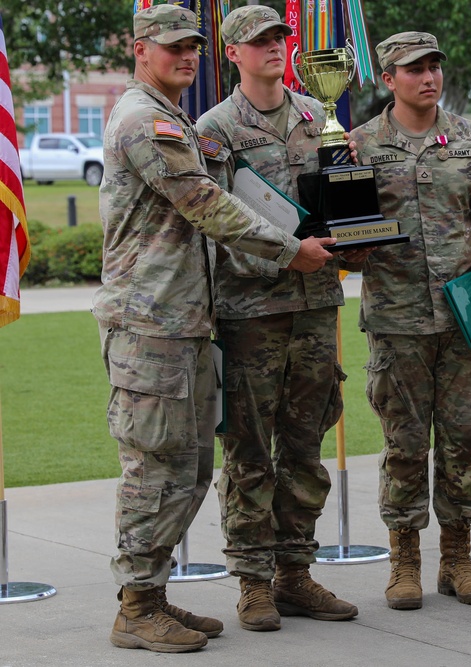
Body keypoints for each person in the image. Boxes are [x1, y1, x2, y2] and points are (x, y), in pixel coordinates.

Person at [96, 4, 336, 653]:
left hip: (179, 323)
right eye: (172, 47)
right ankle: (135, 604)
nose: (185, 56)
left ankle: (151, 595)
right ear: (139, 48)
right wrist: (292, 251)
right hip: (149, 325)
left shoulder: (168, 115)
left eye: (191, 47)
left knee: (188, 466)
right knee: (155, 467)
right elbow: (209, 207)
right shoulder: (146, 120)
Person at [196, 5, 363, 632]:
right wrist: (285, 258)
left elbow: (340, 199)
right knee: (248, 451)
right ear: (232, 53)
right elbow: (212, 225)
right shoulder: (214, 130)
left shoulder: (318, 116)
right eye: (259, 41)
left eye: (279, 38)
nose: (273, 48)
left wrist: (355, 232)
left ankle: (295, 574)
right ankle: (252, 583)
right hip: (250, 313)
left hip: (317, 306)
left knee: (305, 445)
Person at [348, 31, 471, 610]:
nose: (428, 77)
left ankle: (457, 557)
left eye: (434, 67)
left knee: (464, 441)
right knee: (403, 445)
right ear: (389, 78)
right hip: (396, 323)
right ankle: (404, 562)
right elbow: (345, 237)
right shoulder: (357, 145)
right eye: (414, 68)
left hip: (463, 324)